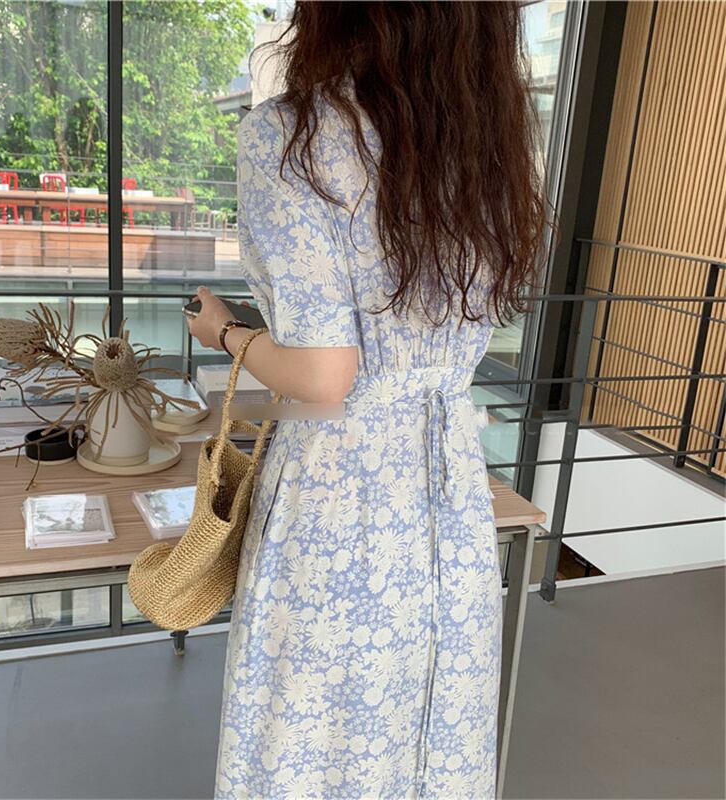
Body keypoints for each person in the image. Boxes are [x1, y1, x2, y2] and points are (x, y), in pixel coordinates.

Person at [186, 2, 549, 797]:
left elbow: (325, 378)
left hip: (338, 503)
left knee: (311, 744)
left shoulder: (294, 137)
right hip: (449, 496)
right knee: (428, 735)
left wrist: (226, 333)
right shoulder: (484, 149)